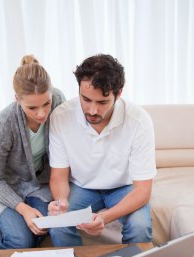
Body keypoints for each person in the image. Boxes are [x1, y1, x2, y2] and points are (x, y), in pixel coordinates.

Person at [48, 53, 156, 246]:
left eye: (102, 102)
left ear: (119, 93)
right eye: (86, 99)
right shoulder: (61, 116)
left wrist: (105, 217)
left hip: (124, 188)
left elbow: (142, 190)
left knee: (140, 227)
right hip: (82, 187)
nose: (92, 110)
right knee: (59, 224)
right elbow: (59, 175)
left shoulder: (139, 121)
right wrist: (62, 201)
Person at [0, 55, 65, 249]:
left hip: (37, 185)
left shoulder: (57, 100)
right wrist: (24, 210)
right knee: (20, 240)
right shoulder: (2, 126)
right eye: (32, 107)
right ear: (17, 99)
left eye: (46, 103)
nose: (41, 113)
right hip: (2, 188)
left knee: (50, 227)